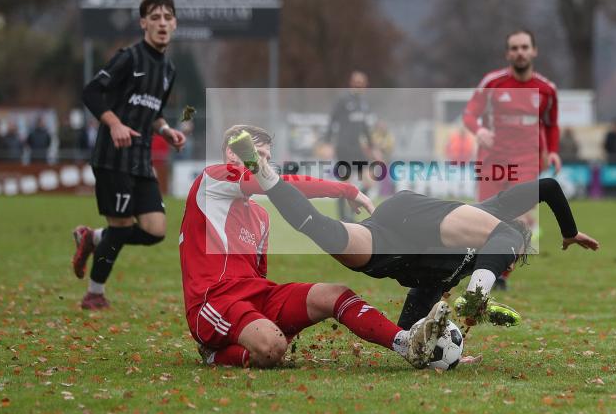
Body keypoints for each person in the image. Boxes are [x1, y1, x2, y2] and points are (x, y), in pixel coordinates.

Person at [227, 127, 598, 333]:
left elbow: (411, 322)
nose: (511, 262)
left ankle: (265, 173)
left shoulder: (447, 276)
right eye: (512, 260)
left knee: (322, 231)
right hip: (416, 214)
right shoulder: (500, 217)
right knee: (507, 234)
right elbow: (548, 187)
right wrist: (569, 232)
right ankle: (479, 294)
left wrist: (436, 343)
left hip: (392, 245)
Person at [181, 125, 449, 369]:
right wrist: (345, 189)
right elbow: (284, 184)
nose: (261, 164)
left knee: (335, 294)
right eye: (255, 154)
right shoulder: (212, 179)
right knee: (272, 348)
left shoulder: (261, 217)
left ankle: (408, 344)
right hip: (214, 301)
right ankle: (214, 354)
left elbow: (258, 275)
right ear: (231, 153)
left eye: (265, 158)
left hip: (255, 293)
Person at [70, 0, 187, 310]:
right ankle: (95, 293)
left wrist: (166, 129)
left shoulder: (169, 70)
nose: (162, 23)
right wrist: (114, 123)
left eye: (167, 17)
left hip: (140, 160)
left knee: (155, 230)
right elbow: (92, 92)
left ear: (175, 24)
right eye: (155, 18)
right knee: (120, 226)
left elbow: (153, 111)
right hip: (112, 158)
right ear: (143, 24)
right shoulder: (128, 58)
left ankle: (91, 237)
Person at [463, 29, 561, 290]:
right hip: (491, 159)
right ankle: (477, 269)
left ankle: (501, 274)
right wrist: (480, 130)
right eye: (514, 48)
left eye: (524, 47)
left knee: (519, 218)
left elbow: (552, 125)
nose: (520, 52)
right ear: (508, 54)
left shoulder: (546, 90)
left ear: (534, 51)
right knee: (485, 217)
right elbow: (469, 114)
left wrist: (552, 150)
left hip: (525, 161)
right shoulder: (493, 83)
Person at [324, 71, 373, 222]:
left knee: (368, 181)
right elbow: (332, 121)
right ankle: (342, 218)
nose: (360, 85)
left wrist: (372, 146)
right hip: (343, 147)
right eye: (357, 82)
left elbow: (364, 126)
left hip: (357, 148)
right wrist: (327, 142)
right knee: (345, 184)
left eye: (362, 82)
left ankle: (351, 213)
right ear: (351, 83)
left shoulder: (363, 103)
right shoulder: (343, 99)